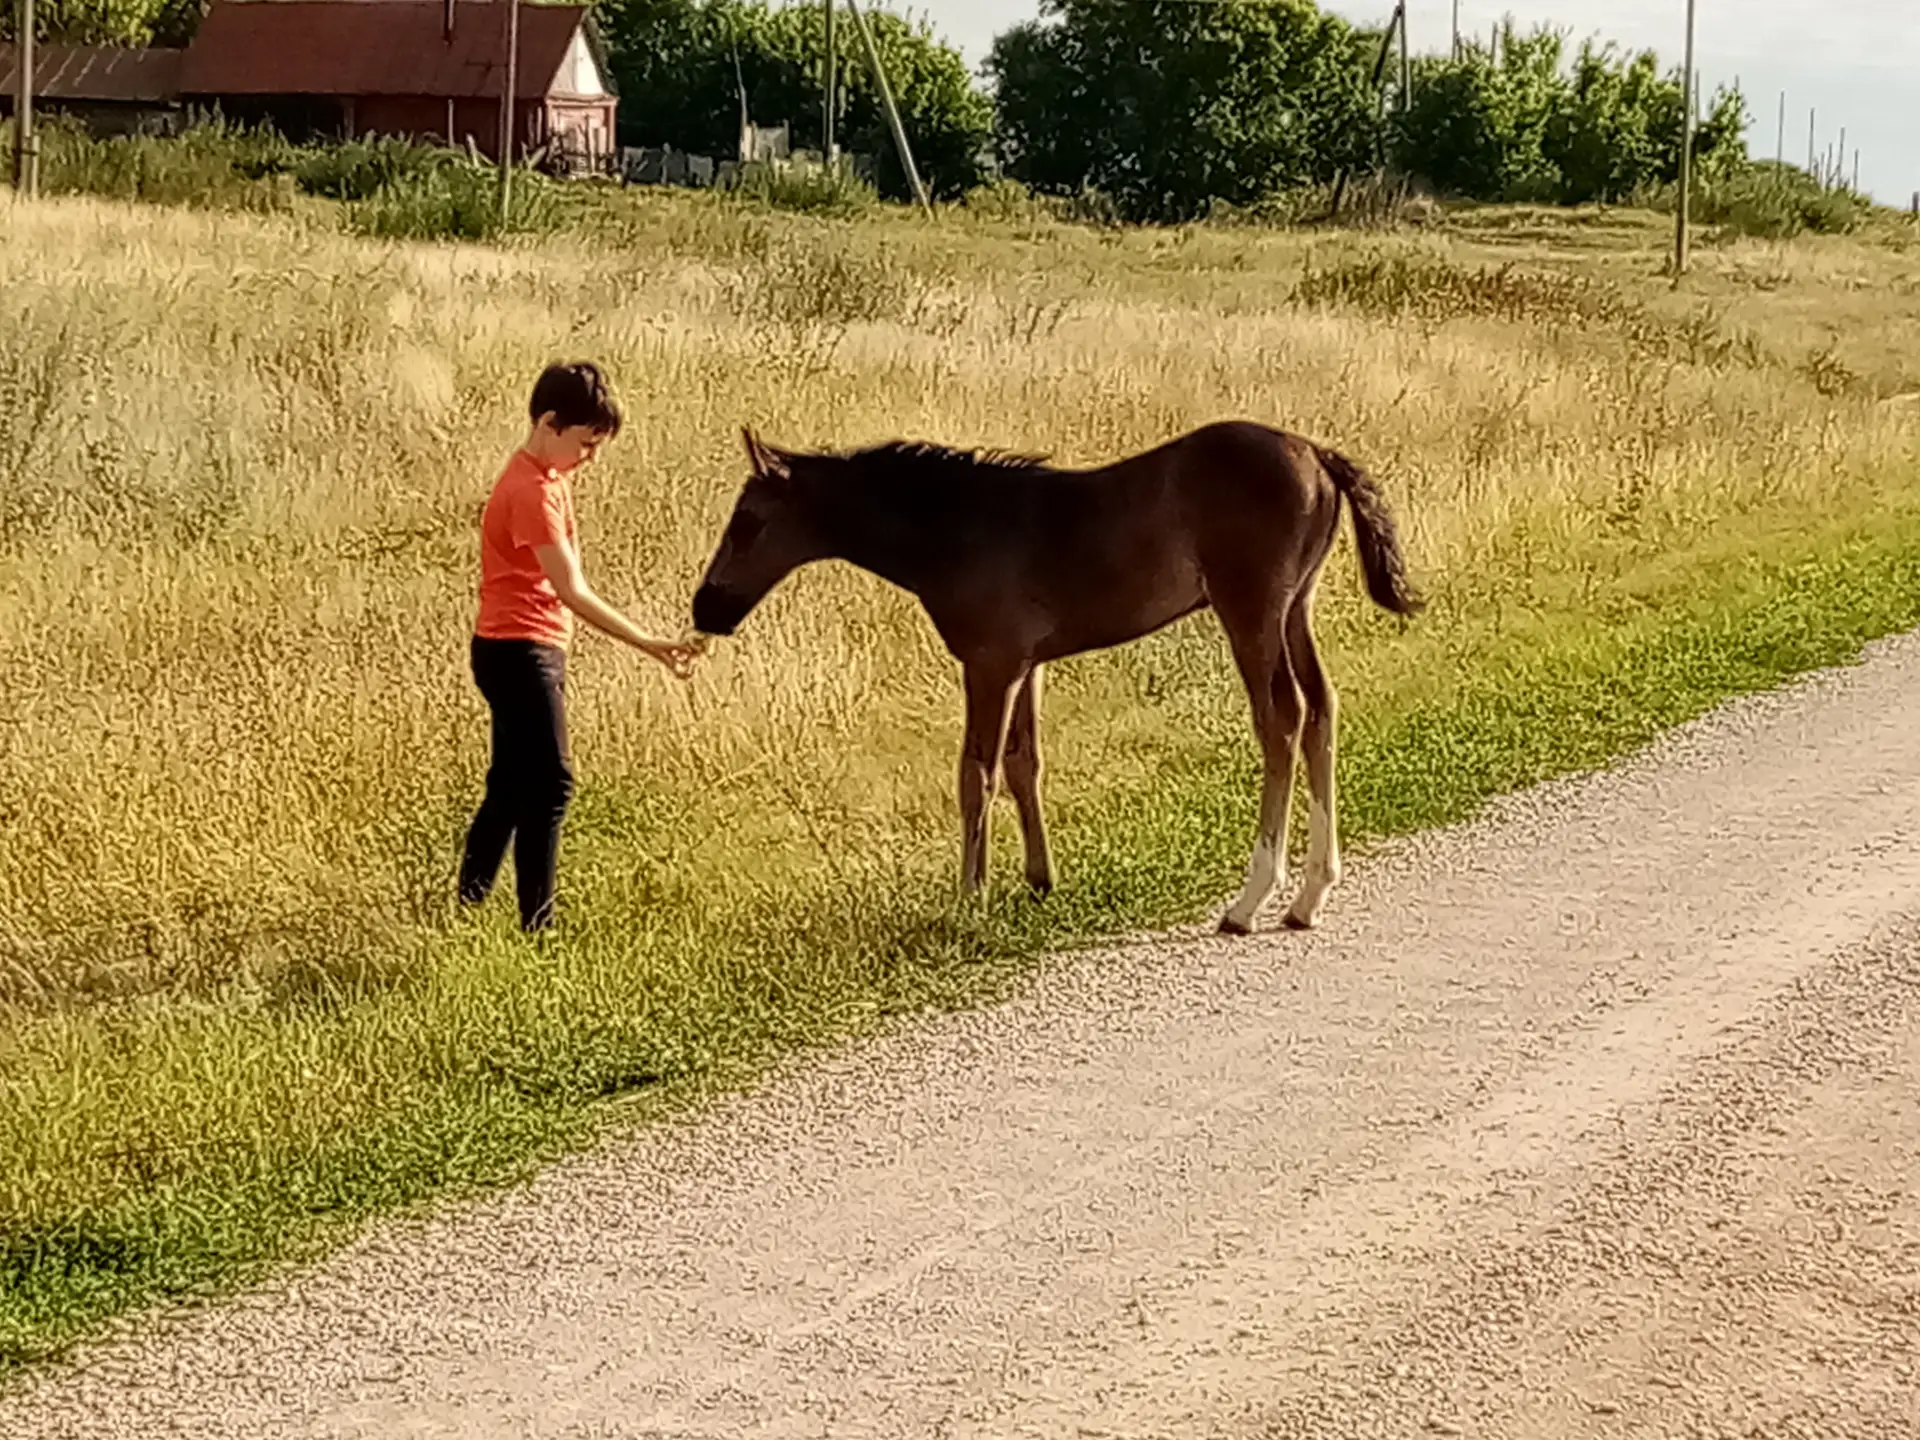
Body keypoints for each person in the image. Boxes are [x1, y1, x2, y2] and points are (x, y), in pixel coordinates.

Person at [458, 361, 702, 933]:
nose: (589, 458)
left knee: (512, 782)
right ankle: (537, 929)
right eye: (585, 443)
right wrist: (650, 644)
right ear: (549, 422)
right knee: (552, 782)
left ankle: (466, 904)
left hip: (515, 645)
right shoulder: (532, 492)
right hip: (520, 648)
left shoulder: (544, 479)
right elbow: (572, 591)